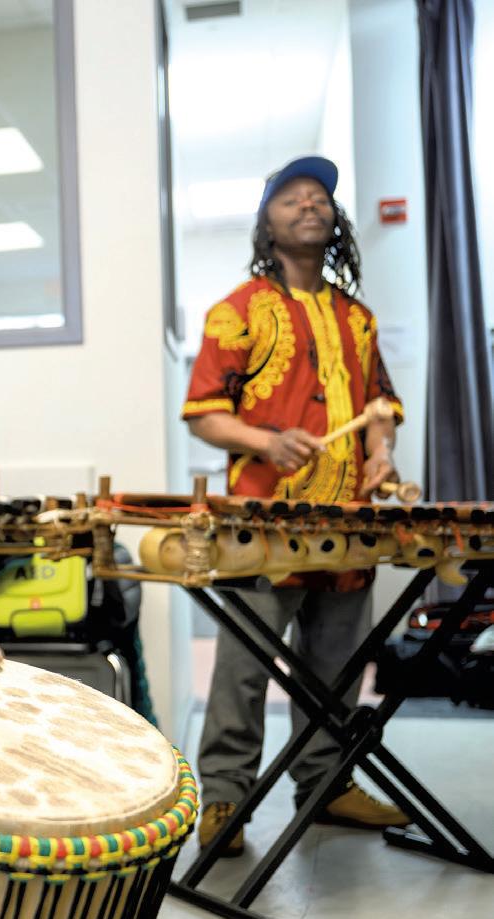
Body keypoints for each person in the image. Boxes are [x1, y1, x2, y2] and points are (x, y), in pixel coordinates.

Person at [182, 156, 410, 856]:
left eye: (320, 198)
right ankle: (226, 798)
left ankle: (327, 784)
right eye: (292, 198)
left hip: (347, 523)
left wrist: (381, 453)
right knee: (243, 670)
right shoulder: (237, 311)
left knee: (337, 669)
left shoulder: (358, 319)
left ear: (335, 220)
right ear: (267, 222)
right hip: (264, 525)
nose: (310, 205)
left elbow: (380, 407)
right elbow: (203, 412)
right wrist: (266, 441)